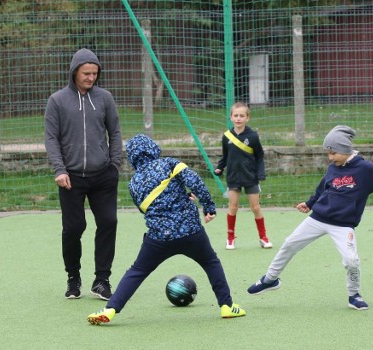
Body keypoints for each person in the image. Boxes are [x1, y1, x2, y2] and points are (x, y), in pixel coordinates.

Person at [247, 125, 373, 310]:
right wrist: (309, 204)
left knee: (351, 261)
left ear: (345, 150)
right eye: (328, 154)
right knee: (290, 243)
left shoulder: (365, 170)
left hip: (343, 225)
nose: (330, 158)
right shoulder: (333, 168)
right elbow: (323, 187)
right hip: (318, 218)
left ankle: (354, 295)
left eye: (333, 153)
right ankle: (270, 279)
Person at [87, 134, 246, 325]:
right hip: (191, 232)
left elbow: (148, 208)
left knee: (137, 271)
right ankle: (227, 306)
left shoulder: (133, 183)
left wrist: (178, 200)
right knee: (211, 262)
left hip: (158, 238)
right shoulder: (170, 164)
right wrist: (209, 207)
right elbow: (195, 182)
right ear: (153, 148)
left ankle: (110, 309)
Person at [44, 48, 122, 301]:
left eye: (95, 73)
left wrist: (115, 165)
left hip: (103, 175)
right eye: (86, 73)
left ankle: (102, 280)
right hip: (71, 178)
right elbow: (51, 138)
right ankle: (73, 277)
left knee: (109, 222)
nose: (91, 78)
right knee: (74, 228)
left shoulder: (105, 98)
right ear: (74, 71)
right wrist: (59, 169)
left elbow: (116, 133)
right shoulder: (57, 100)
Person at [214, 102, 272, 250]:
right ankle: (230, 238)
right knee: (232, 207)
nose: (238, 118)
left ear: (247, 118)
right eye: (235, 115)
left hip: (251, 178)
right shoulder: (226, 136)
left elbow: (259, 157)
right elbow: (226, 156)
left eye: (242, 116)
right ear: (231, 117)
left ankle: (263, 237)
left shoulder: (252, 136)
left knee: (255, 207)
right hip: (233, 178)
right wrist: (220, 167)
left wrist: (260, 173)